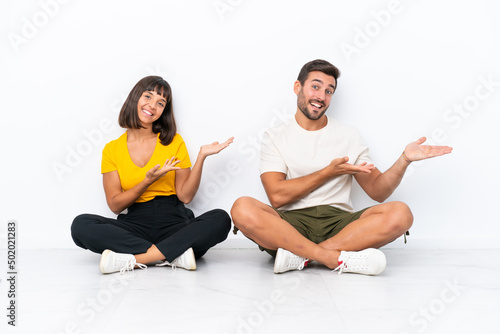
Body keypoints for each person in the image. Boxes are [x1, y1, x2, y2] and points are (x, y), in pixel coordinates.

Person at [231, 59, 453, 276]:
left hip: (340, 225)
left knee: (401, 213)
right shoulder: (275, 136)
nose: (321, 96)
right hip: (291, 226)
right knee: (242, 207)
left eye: (329, 91)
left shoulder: (349, 135)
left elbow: (378, 191)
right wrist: (328, 172)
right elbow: (277, 197)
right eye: (315, 87)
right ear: (298, 87)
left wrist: (405, 159)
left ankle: (302, 257)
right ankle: (331, 257)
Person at [71, 75, 233, 274]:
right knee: (81, 225)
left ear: (164, 111)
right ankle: (174, 253)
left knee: (221, 219)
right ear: (135, 98)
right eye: (147, 97)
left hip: (174, 222)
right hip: (136, 224)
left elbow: (186, 196)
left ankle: (137, 259)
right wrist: (147, 181)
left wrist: (201, 158)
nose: (152, 106)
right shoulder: (112, 149)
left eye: (161, 103)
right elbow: (115, 205)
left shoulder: (174, 141)